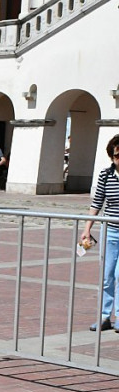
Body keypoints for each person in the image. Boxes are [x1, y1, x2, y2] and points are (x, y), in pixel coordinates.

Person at [80, 134, 119, 331]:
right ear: (112, 156)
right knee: (107, 275)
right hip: (110, 230)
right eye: (117, 155)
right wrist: (88, 228)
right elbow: (97, 203)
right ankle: (104, 316)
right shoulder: (106, 175)